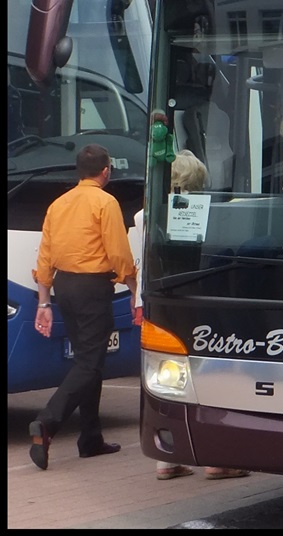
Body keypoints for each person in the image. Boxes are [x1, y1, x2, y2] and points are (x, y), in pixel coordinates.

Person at [136, 151, 249, 481]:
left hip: (159, 303)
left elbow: (139, 263)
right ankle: (218, 460)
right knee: (217, 379)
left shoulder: (144, 214)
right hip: (201, 303)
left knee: (169, 382)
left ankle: (167, 458)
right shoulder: (206, 211)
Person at [29, 144, 137, 470]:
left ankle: (90, 438)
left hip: (64, 286)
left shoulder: (58, 204)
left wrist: (44, 302)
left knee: (88, 361)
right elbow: (118, 252)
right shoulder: (105, 202)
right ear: (106, 171)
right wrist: (135, 289)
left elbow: (45, 255)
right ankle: (47, 422)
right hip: (93, 288)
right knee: (90, 363)